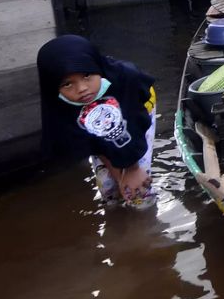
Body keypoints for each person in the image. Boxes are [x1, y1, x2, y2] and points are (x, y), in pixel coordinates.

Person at [37, 35, 157, 209]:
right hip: (94, 119)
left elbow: (132, 129)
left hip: (135, 111)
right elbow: (89, 141)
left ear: (97, 67)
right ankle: (116, 214)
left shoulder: (125, 80)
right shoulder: (61, 103)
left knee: (139, 188)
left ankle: (146, 215)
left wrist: (131, 170)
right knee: (110, 189)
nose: (82, 89)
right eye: (67, 84)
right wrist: (119, 176)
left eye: (86, 75)